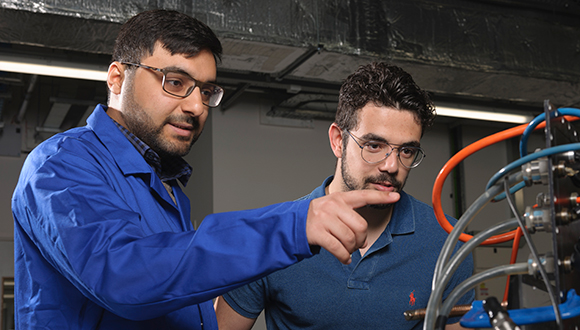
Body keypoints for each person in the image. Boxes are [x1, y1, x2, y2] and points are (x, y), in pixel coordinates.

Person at [11, 10, 400, 330]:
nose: (197, 107)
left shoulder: (163, 181)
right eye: (175, 82)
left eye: (205, 91)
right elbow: (125, 275)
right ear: (117, 77)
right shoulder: (60, 164)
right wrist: (292, 225)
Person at [215, 62, 475, 330]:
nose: (392, 166)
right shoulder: (273, 234)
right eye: (374, 146)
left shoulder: (448, 240)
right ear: (338, 141)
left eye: (406, 151)